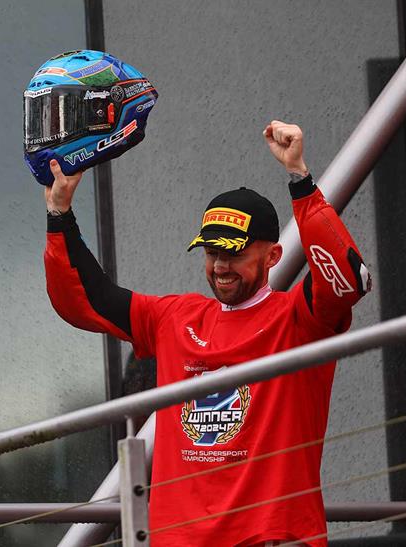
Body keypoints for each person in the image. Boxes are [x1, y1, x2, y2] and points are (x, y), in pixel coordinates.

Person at [42, 120, 371, 546]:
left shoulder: (300, 318)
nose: (219, 266)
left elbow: (347, 278)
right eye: (212, 252)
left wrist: (301, 180)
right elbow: (85, 300)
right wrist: (60, 214)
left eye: (233, 253)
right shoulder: (176, 317)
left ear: (274, 255)